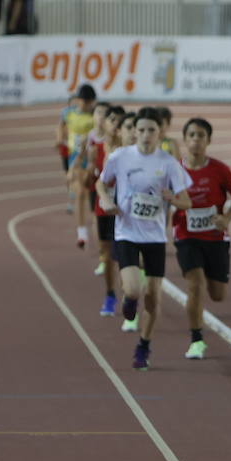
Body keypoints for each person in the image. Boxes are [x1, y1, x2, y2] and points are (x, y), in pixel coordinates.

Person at [97, 113, 193, 370]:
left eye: (152, 129)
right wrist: (105, 201)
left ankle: (144, 345)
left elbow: (187, 202)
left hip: (154, 237)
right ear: (135, 132)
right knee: (132, 290)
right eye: (142, 129)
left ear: (159, 133)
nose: (147, 134)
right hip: (127, 232)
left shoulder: (169, 163)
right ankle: (129, 302)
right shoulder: (120, 157)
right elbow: (101, 183)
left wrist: (171, 197)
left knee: (153, 298)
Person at [173, 118, 231, 360]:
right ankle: (196, 339)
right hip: (186, 236)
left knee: (217, 295)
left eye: (201, 135)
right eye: (191, 135)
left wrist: (227, 219)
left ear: (208, 140)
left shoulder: (219, 169)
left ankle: (211, 279)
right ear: (185, 140)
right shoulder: (175, 171)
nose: (196, 140)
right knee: (194, 287)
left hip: (215, 237)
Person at [91, 106, 127, 315]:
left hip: (124, 209)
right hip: (104, 205)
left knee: (123, 255)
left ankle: (128, 296)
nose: (115, 125)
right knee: (106, 254)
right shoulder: (99, 146)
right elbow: (97, 177)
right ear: (105, 123)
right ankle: (110, 295)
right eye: (111, 120)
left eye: (119, 122)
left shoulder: (129, 151)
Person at [56, 84, 97, 242]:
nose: (84, 104)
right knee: (78, 189)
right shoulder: (68, 113)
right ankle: (81, 231)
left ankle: (95, 220)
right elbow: (61, 126)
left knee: (90, 191)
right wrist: (60, 140)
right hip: (74, 154)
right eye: (82, 100)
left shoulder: (95, 116)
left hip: (92, 156)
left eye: (87, 101)